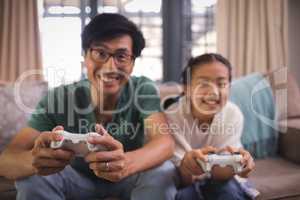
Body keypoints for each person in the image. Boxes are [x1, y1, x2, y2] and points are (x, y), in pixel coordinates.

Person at [0, 13, 177, 200]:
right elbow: (7, 159)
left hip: (127, 178)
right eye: (100, 53)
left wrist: (125, 162)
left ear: (132, 63)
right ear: (85, 56)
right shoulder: (60, 98)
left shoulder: (143, 88)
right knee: (32, 176)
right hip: (75, 181)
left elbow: (164, 142)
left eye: (121, 56)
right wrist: (35, 161)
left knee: (164, 170)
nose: (110, 67)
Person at [165, 53, 259, 200]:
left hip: (222, 183)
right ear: (187, 88)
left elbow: (220, 175)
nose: (213, 93)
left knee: (228, 189)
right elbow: (183, 178)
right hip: (185, 184)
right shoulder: (171, 117)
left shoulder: (232, 114)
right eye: (203, 84)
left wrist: (238, 166)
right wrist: (187, 166)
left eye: (221, 84)